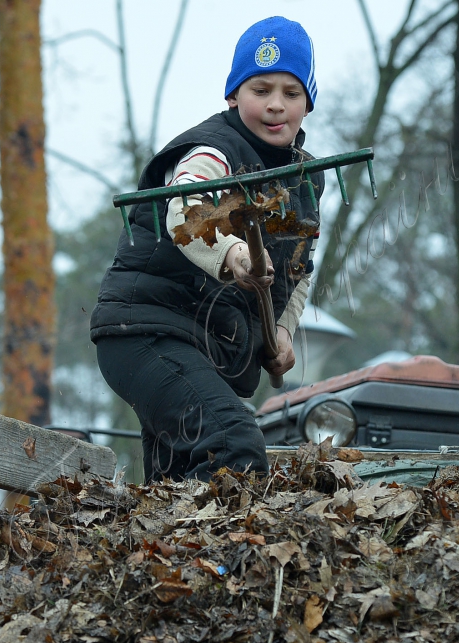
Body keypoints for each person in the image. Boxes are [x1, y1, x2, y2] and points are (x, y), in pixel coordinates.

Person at [90, 16, 325, 483]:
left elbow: (300, 269)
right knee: (232, 443)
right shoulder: (212, 151)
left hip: (203, 350)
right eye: (260, 90)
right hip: (144, 333)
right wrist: (236, 256)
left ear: (308, 104)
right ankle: (230, 558)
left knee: (177, 486)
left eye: (291, 93)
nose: (276, 105)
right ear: (234, 95)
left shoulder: (305, 179)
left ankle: (178, 556)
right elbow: (185, 206)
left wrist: (280, 331)